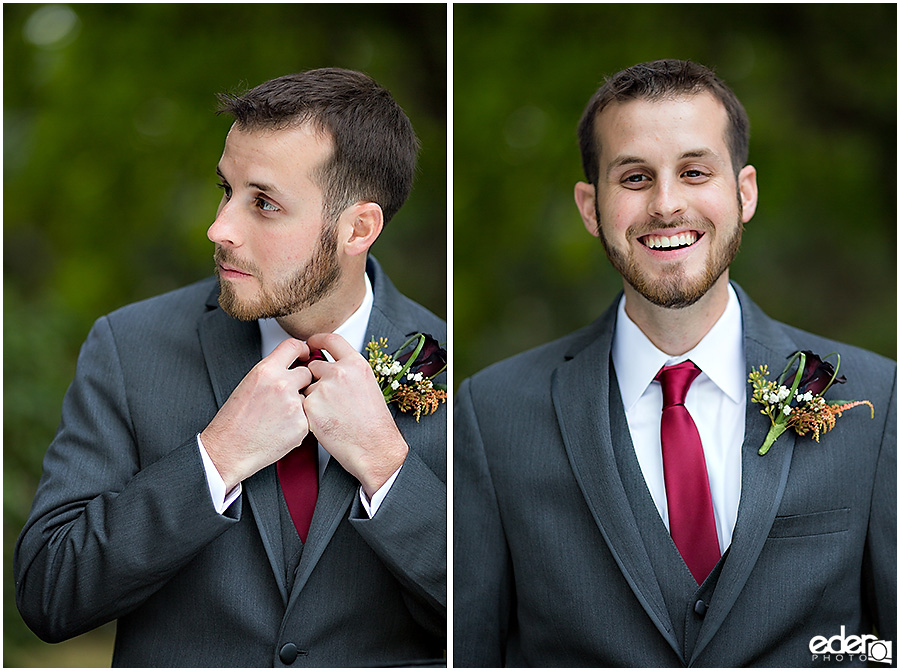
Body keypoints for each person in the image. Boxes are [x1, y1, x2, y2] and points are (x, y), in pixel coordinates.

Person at [454, 59, 895, 667]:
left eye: (694, 172)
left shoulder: (878, 399)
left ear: (744, 193)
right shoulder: (491, 414)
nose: (666, 204)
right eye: (634, 177)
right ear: (591, 206)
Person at [15, 68, 446, 667]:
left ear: (357, 228)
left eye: (264, 203)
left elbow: (499, 621)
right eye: (227, 189)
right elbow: (50, 592)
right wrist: (215, 459)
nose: (219, 228)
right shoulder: (129, 348)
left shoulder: (455, 370)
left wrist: (383, 465)